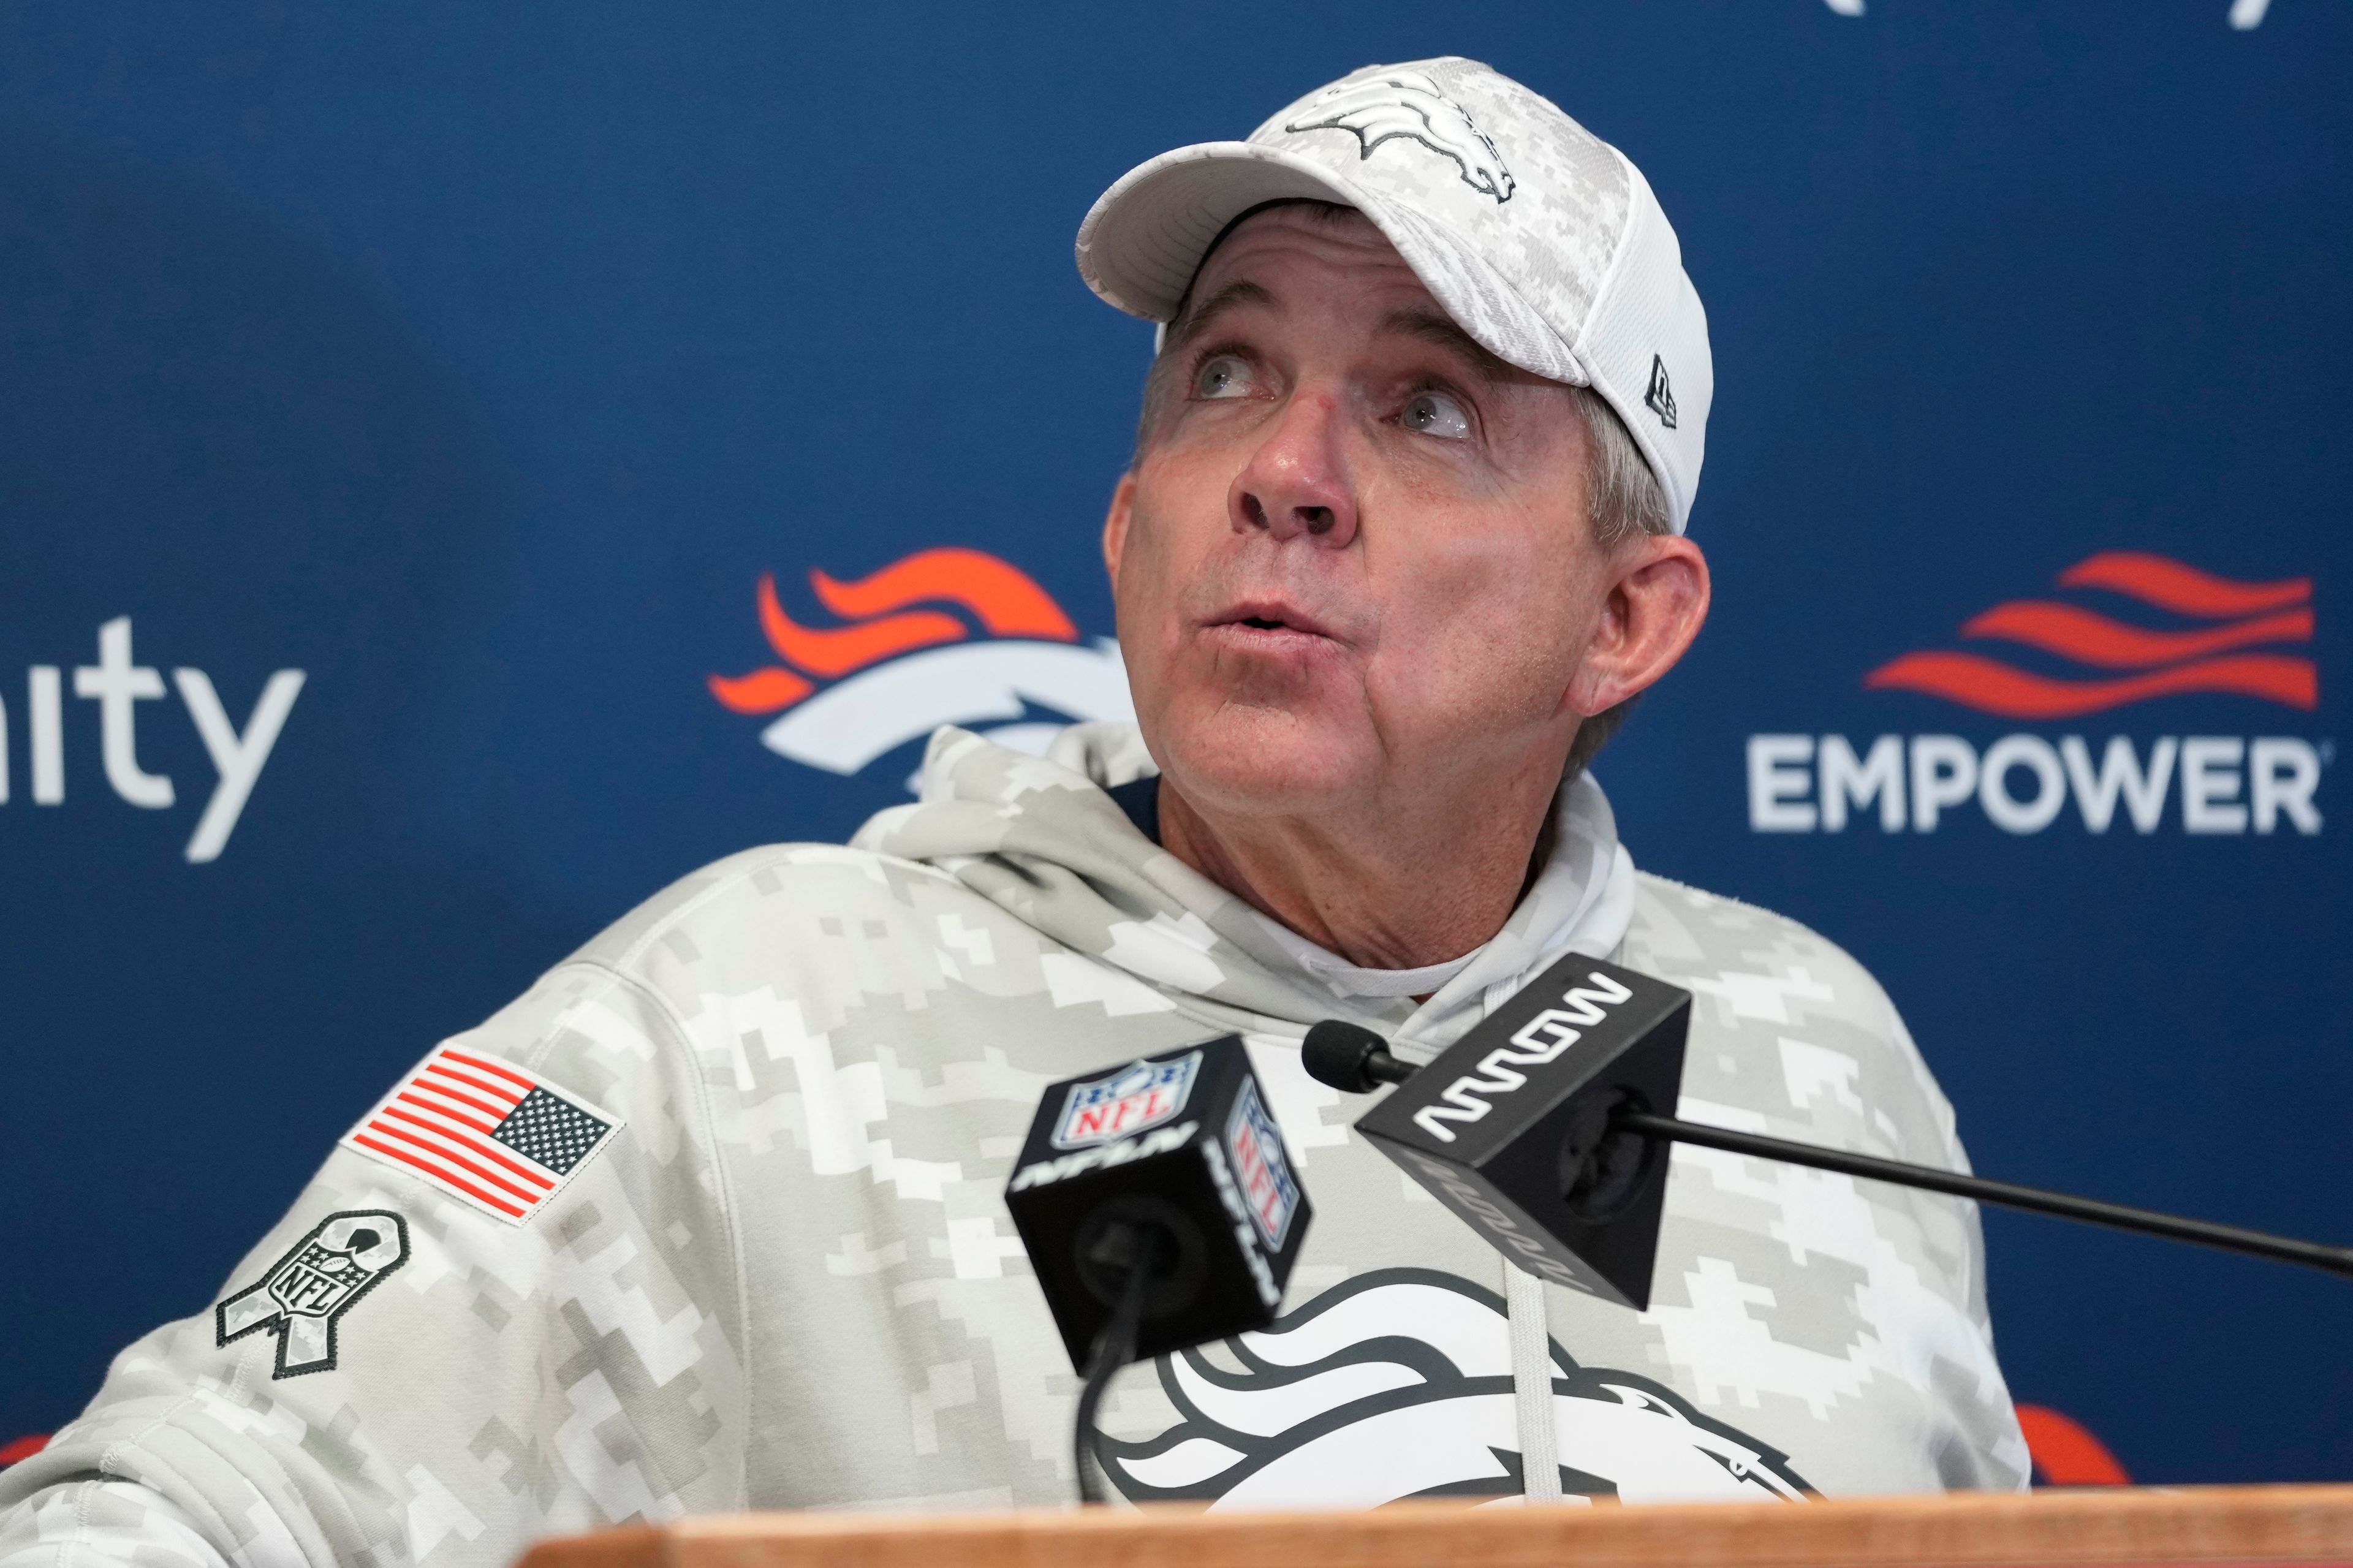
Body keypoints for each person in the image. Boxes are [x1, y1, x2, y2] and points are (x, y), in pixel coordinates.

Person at [0, 56, 2026, 1566]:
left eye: (1425, 408)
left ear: (1625, 618)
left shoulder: (1815, 1055)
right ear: (1131, 524)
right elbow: (208, 1493)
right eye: (1227, 377)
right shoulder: (743, 1006)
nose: (1290, 472)